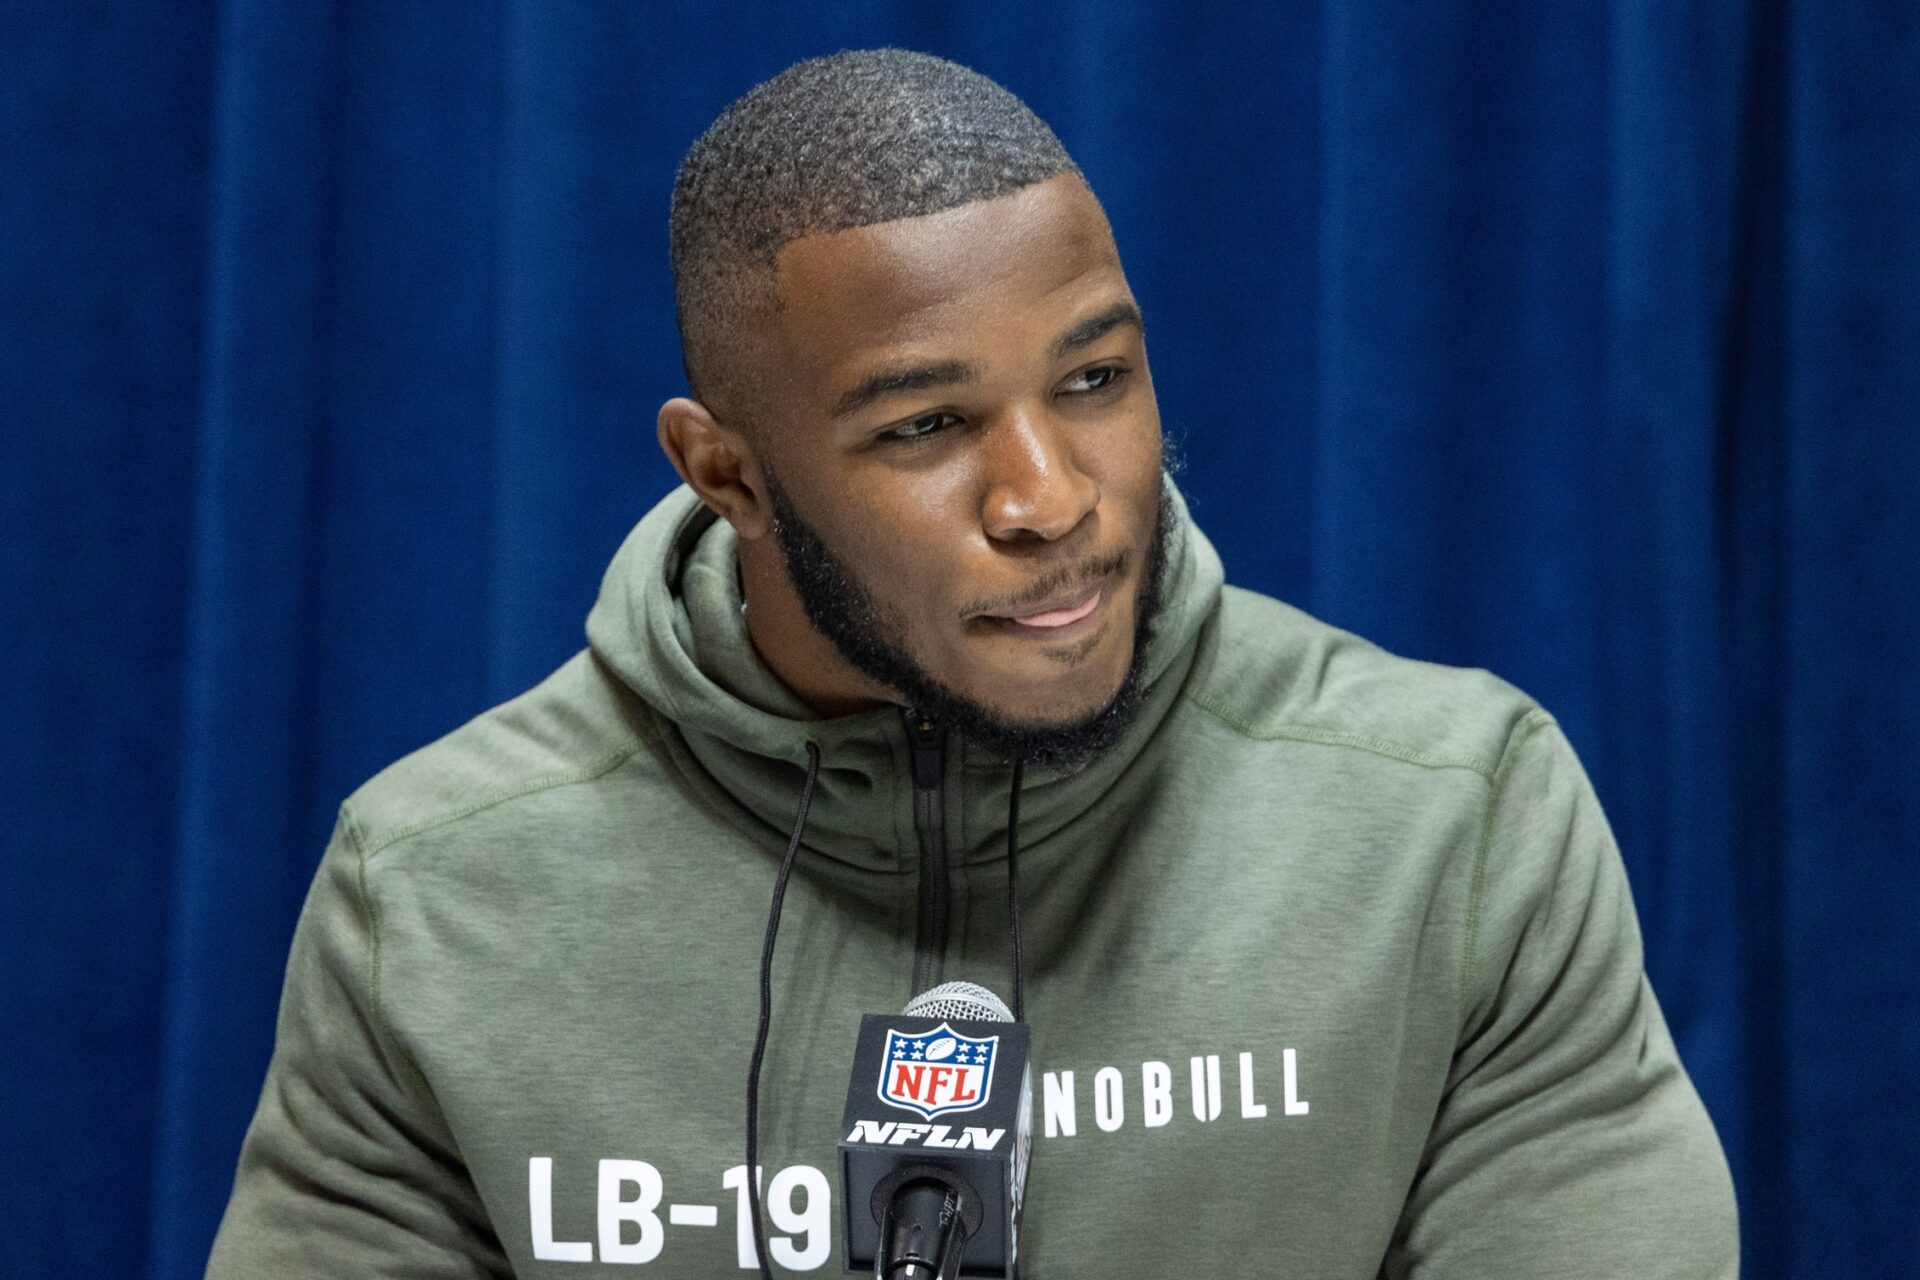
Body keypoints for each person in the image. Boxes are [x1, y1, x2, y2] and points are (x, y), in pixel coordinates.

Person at [206, 47, 1739, 1278]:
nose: (1051, 499)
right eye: (927, 427)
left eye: (1094, 379)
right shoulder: (435, 893)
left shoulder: (1452, 823)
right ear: (725, 473)